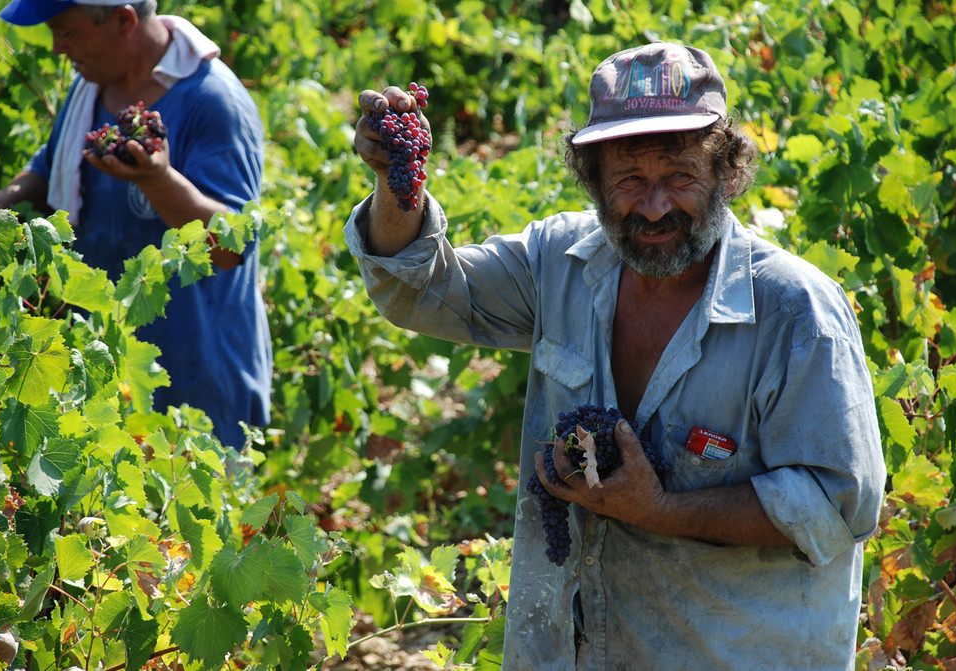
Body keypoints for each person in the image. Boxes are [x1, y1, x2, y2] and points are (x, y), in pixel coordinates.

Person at [346, 41, 886, 669]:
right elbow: (425, 291)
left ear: (728, 172)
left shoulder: (795, 313)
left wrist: (661, 510)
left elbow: (837, 503)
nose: (654, 206)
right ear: (594, 182)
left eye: (679, 176)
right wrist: (398, 187)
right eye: (629, 180)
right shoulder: (560, 263)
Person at [0, 0, 271, 449]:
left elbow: (230, 247)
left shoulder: (212, 102)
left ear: (124, 20)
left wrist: (157, 180)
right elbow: (47, 170)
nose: (58, 48)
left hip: (197, 393)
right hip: (104, 370)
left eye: (67, 32)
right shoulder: (93, 87)